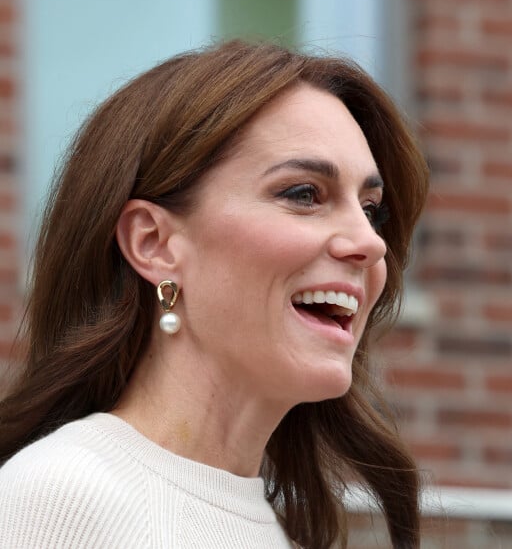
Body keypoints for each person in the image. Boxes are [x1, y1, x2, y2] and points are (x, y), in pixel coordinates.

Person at [0, 40, 429, 548]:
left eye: (370, 209)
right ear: (153, 243)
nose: (369, 243)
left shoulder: (277, 530)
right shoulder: (59, 501)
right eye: (304, 194)